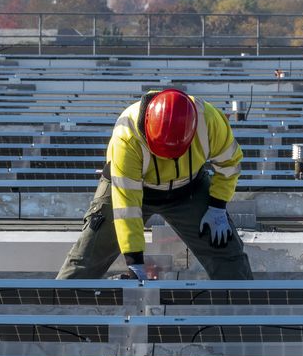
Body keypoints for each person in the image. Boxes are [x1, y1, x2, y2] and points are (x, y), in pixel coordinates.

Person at [56, 88, 254, 280]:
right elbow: (127, 207)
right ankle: (58, 307)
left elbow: (230, 164)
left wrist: (217, 206)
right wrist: (135, 261)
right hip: (132, 189)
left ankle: (244, 307)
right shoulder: (127, 135)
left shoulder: (210, 120)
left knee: (228, 255)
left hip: (189, 189)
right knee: (87, 258)